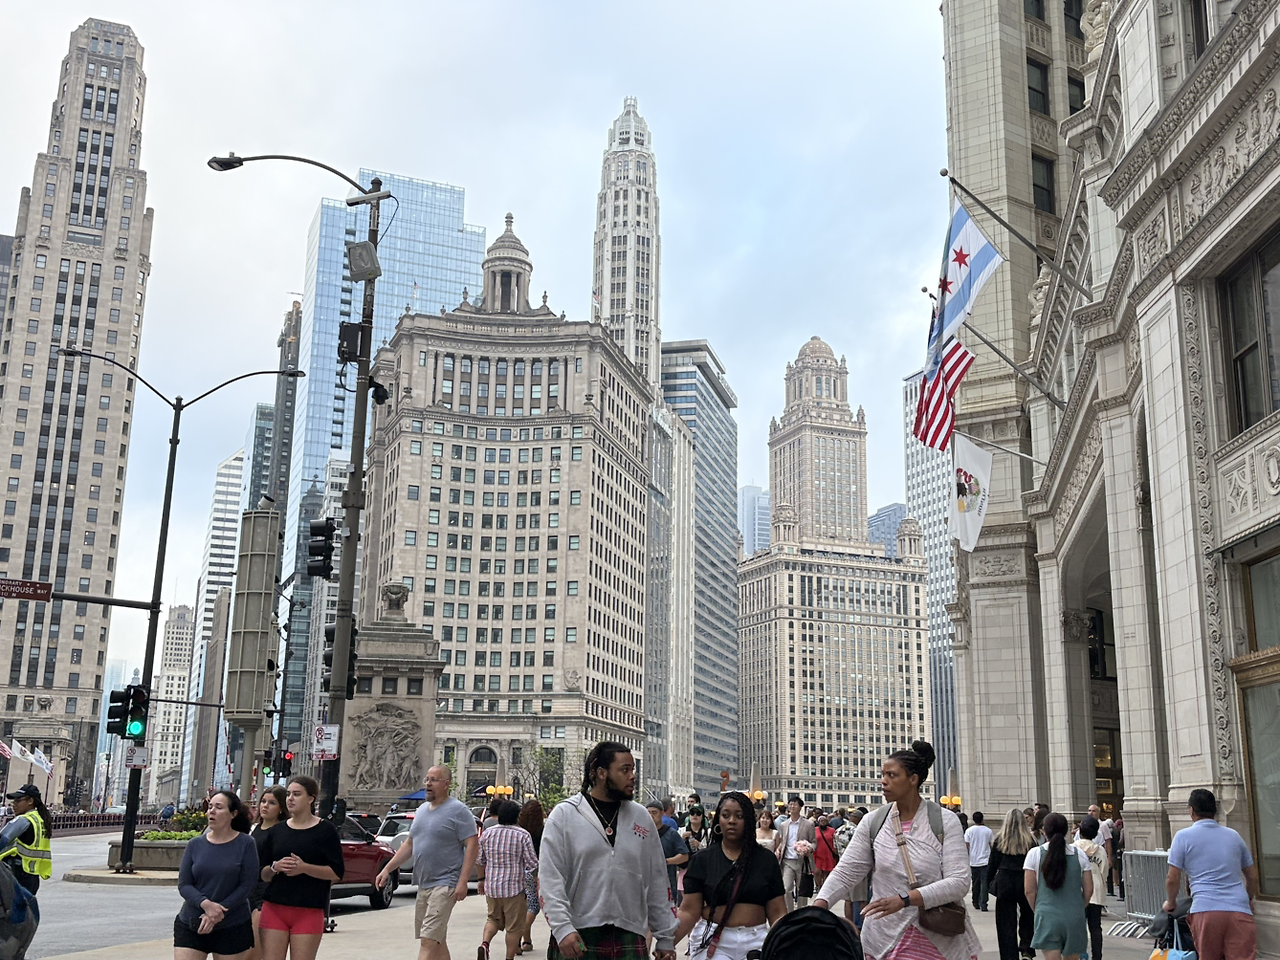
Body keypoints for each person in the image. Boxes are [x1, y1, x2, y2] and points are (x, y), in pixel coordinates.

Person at [815, 739, 980, 960]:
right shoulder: (873, 822)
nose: (883, 781)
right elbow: (847, 871)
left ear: (913, 779)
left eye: (892, 775)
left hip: (936, 940)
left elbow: (959, 882)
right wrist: (820, 904)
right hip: (881, 939)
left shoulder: (944, 821)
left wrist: (904, 899)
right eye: (883, 775)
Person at [539, 741, 676, 960]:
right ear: (601, 773)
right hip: (576, 934)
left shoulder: (641, 817)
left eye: (633, 770)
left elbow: (657, 879)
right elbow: (549, 877)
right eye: (625, 770)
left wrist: (665, 937)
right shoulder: (565, 815)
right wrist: (562, 928)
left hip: (629, 932)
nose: (633, 776)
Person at [376, 766, 479, 960]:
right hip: (424, 883)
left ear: (446, 784)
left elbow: (472, 844)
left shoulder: (459, 810)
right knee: (437, 940)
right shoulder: (422, 810)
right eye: (427, 779)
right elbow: (410, 843)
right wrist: (388, 868)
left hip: (446, 883)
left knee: (428, 940)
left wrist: (463, 881)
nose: (428, 784)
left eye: (433, 780)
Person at [675, 791, 786, 960]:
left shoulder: (766, 860)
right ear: (718, 820)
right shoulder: (703, 860)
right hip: (713, 939)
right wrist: (666, 943)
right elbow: (689, 911)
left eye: (739, 816)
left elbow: (777, 913)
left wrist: (787, 945)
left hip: (756, 941)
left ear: (749, 821)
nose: (732, 821)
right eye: (725, 815)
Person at [1162, 788, 1259, 960]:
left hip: (1205, 909)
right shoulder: (1234, 836)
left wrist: (1171, 902)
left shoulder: (1183, 837)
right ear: (1215, 809)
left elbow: (1172, 878)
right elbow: (1252, 876)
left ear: (1191, 810)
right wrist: (1248, 898)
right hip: (1238, 909)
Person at [257, 776, 344, 960]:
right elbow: (263, 874)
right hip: (274, 907)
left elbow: (337, 873)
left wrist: (304, 868)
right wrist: (275, 867)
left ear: (311, 799)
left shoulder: (325, 830)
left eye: (296, 794)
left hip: (309, 909)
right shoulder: (277, 831)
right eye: (288, 794)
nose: (290, 798)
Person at [174, 789, 258, 960]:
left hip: (232, 924)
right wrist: (206, 905)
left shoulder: (246, 843)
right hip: (193, 921)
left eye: (219, 807)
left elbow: (247, 884)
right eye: (210, 807)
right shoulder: (195, 844)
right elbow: (184, 884)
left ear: (233, 814)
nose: (211, 811)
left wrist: (219, 911)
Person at [1023, 812, 1091, 960]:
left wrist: (1038, 908)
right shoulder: (1080, 854)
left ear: (1044, 831)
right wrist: (1079, 906)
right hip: (1074, 915)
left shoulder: (1034, 854)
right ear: (1066, 830)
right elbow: (1089, 890)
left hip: (1047, 914)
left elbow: (1029, 891)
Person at [477, 800, 538, 960]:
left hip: (492, 887)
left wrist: (481, 880)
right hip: (514, 889)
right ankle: (509, 958)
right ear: (517, 816)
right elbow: (532, 864)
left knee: (492, 919)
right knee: (513, 927)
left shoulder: (488, 834)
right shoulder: (523, 835)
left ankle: (485, 944)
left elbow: (480, 860)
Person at [986, 808, 1035, 960]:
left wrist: (988, 884)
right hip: (1025, 880)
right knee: (1028, 916)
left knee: (1005, 922)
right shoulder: (1030, 840)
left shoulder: (999, 840)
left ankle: (1009, 956)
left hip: (1005, 881)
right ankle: (1027, 948)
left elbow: (992, 865)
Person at [249, 786, 288, 960]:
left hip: (266, 893)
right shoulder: (254, 829)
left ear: (281, 808)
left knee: (254, 951)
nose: (265, 806)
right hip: (247, 891)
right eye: (263, 801)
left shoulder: (282, 832)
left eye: (272, 803)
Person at [0, 785, 52, 897]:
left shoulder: (23, 820)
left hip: (16, 874)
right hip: (31, 876)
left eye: (18, 801)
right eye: (13, 801)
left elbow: (2, 839)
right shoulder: (40, 820)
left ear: (30, 801)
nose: (14, 805)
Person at [1072, 816, 1108, 960]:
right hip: (1096, 891)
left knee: (1078, 927)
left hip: (1077, 891)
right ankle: (1097, 956)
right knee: (1095, 927)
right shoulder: (1100, 851)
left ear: (1080, 831)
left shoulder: (1072, 848)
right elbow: (1104, 871)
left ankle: (1080, 954)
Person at [774, 797, 815, 912]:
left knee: (802, 891)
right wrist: (779, 849)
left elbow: (813, 842)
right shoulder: (784, 825)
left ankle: (801, 913)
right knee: (786, 888)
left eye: (795, 804)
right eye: (790, 804)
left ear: (800, 807)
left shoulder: (809, 824)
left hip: (802, 862)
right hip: (788, 861)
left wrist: (808, 848)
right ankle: (790, 913)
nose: (792, 806)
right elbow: (783, 841)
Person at [515, 799, 544, 956]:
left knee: (522, 905)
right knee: (533, 906)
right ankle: (521, 935)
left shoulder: (519, 830)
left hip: (518, 871)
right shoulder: (542, 831)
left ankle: (526, 940)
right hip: (535, 871)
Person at [648, 801, 690, 905]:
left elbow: (684, 856)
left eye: (654, 813)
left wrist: (666, 861)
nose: (651, 816)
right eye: (648, 813)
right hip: (646, 884)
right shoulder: (643, 833)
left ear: (662, 813)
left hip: (667, 884)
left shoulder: (671, 833)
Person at [832, 808, 866, 928]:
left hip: (843, 867)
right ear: (859, 819)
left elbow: (835, 849)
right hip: (857, 868)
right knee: (861, 899)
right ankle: (863, 927)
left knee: (848, 900)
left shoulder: (838, 830)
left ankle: (849, 926)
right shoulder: (857, 831)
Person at [964, 811, 993, 912]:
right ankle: (983, 903)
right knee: (984, 882)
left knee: (975, 882)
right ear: (982, 819)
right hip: (985, 860)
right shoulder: (988, 831)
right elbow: (991, 845)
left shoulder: (969, 831)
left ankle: (975, 901)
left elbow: (966, 845)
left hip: (973, 860)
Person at [812, 816, 838, 893]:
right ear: (818, 822)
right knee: (817, 872)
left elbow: (836, 841)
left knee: (827, 872)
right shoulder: (814, 830)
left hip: (828, 854)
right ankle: (819, 886)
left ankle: (824, 888)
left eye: (824, 820)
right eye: (821, 821)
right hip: (817, 854)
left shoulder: (832, 830)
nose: (823, 822)